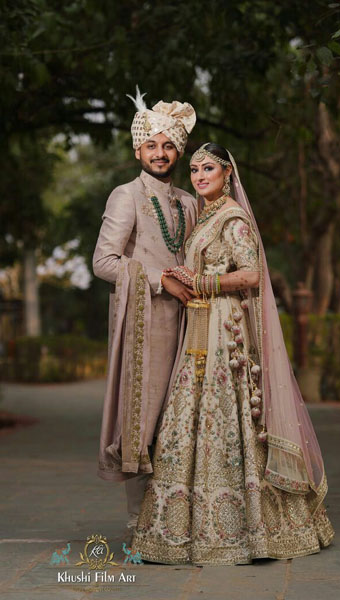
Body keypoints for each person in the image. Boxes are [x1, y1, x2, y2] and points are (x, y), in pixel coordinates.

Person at [130, 143, 335, 565]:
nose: (200, 176)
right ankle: (183, 528)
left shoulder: (233, 218)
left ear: (227, 174)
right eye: (195, 170)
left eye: (209, 168)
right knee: (191, 413)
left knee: (226, 413)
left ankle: (250, 529)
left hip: (225, 330)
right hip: (199, 325)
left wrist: (203, 283)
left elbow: (252, 274)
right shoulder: (204, 218)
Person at [92, 89, 198, 532]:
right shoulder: (127, 196)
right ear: (138, 150)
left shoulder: (189, 202)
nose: (160, 153)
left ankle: (178, 518)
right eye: (151, 145)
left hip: (190, 323)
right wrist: (159, 280)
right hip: (145, 323)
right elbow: (103, 262)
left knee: (182, 419)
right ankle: (140, 524)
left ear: (179, 152)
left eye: (168, 145)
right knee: (144, 418)